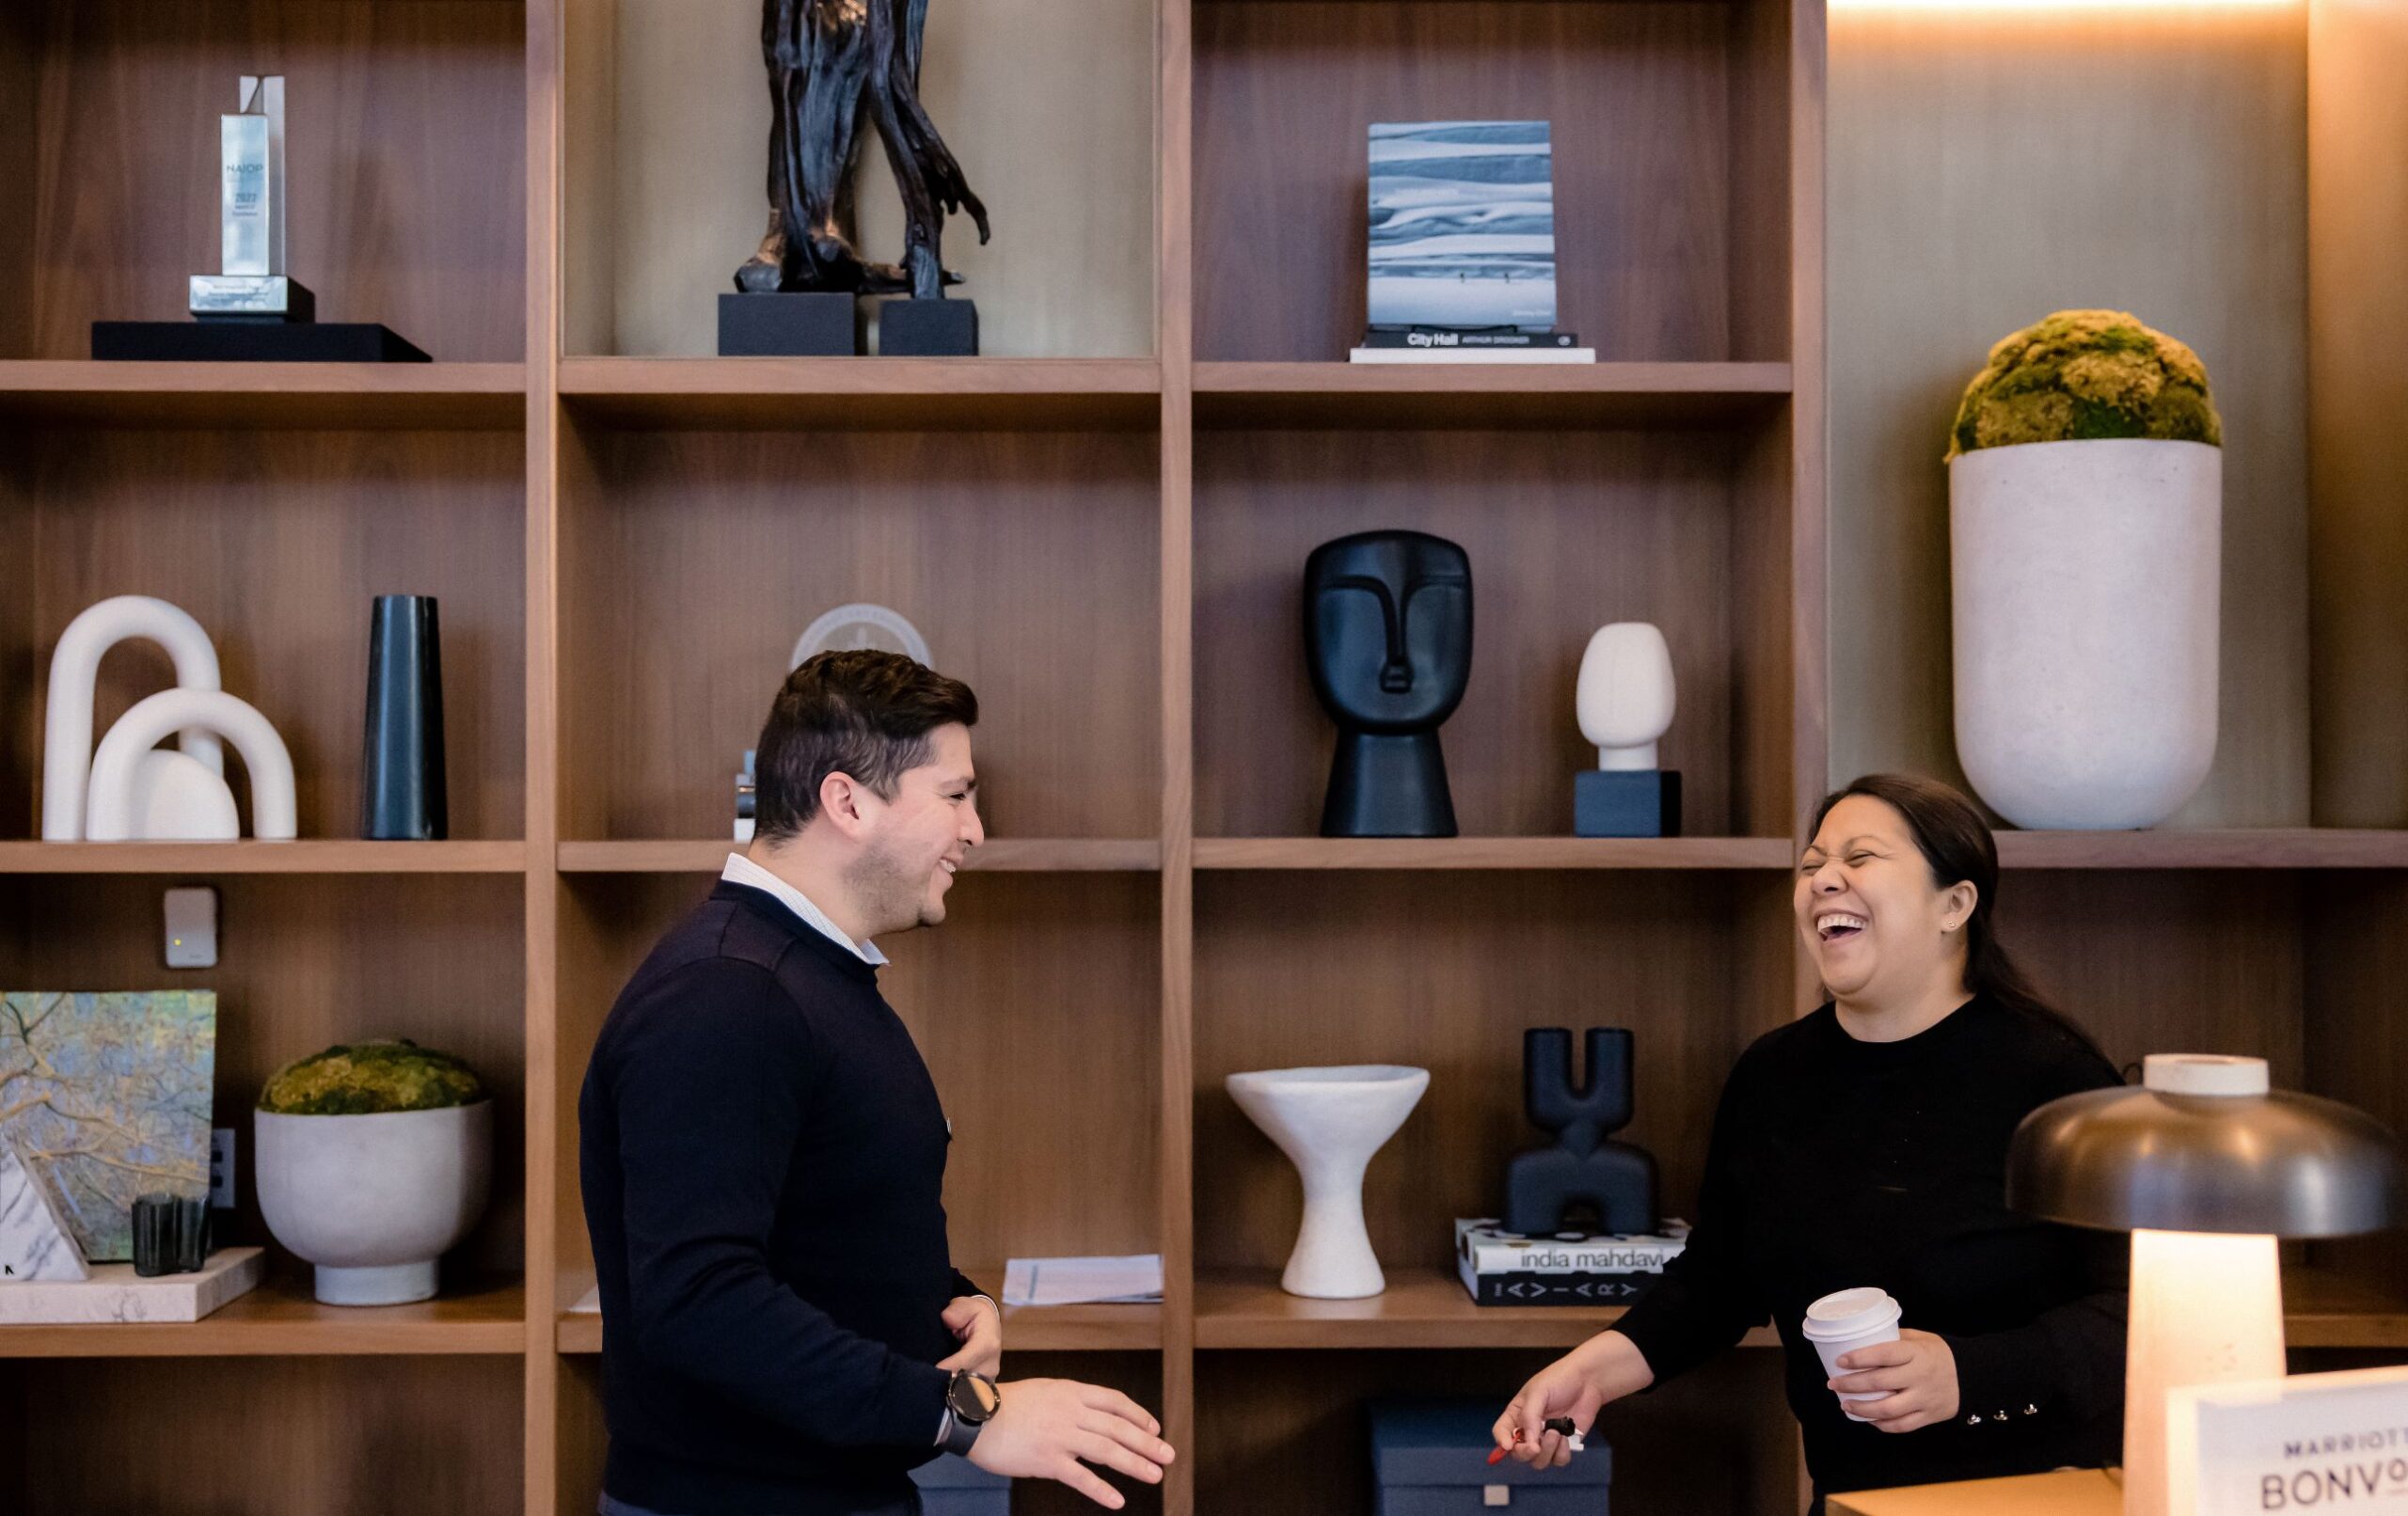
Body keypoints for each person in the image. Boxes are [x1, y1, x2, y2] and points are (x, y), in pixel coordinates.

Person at [580, 651, 1174, 1516]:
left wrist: (945, 1301)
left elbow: (815, 1225)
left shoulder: (804, 975)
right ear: (847, 800)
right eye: (956, 795)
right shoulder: (727, 993)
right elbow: (698, 1300)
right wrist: (970, 1418)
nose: (975, 831)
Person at [1494, 773, 2128, 1511]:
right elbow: (1717, 1284)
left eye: (1861, 859)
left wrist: (1970, 1373)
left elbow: (2141, 1314)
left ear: (1954, 904)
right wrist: (1592, 1373)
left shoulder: (2056, 1078)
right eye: (1812, 864)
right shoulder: (1774, 1074)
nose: (1825, 879)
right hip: (1851, 1499)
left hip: (2039, 1494)